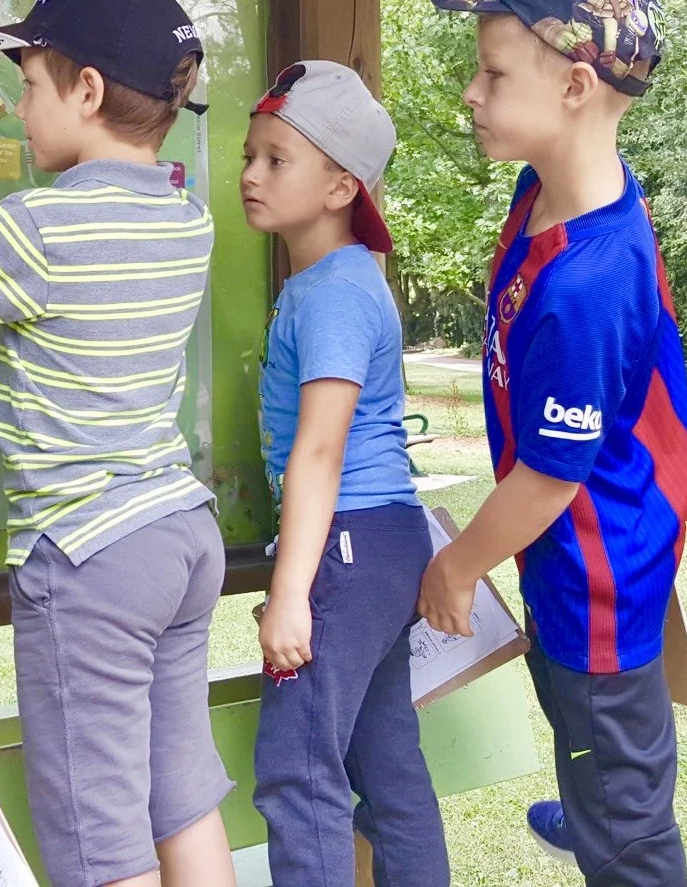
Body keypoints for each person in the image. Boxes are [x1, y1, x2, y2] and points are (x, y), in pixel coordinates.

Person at [0, 0, 237, 887]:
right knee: (181, 794)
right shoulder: (187, 220)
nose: (19, 110)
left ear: (85, 89)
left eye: (28, 85)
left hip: (91, 555)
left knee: (99, 836)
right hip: (179, 532)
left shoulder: (37, 226)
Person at [419, 0, 687, 887]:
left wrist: (458, 568)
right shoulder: (542, 192)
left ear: (577, 86)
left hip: (598, 576)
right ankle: (598, 801)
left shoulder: (586, 284)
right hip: (574, 558)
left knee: (626, 813)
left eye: (494, 74)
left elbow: (548, 476)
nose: (471, 92)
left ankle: (611, 825)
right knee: (591, 737)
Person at [242, 60, 449, 887]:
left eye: (277, 160)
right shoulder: (338, 281)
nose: (252, 174)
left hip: (347, 545)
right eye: (250, 155)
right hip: (383, 537)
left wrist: (292, 594)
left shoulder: (330, 293)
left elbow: (320, 451)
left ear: (339, 187)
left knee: (300, 772)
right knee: (386, 765)